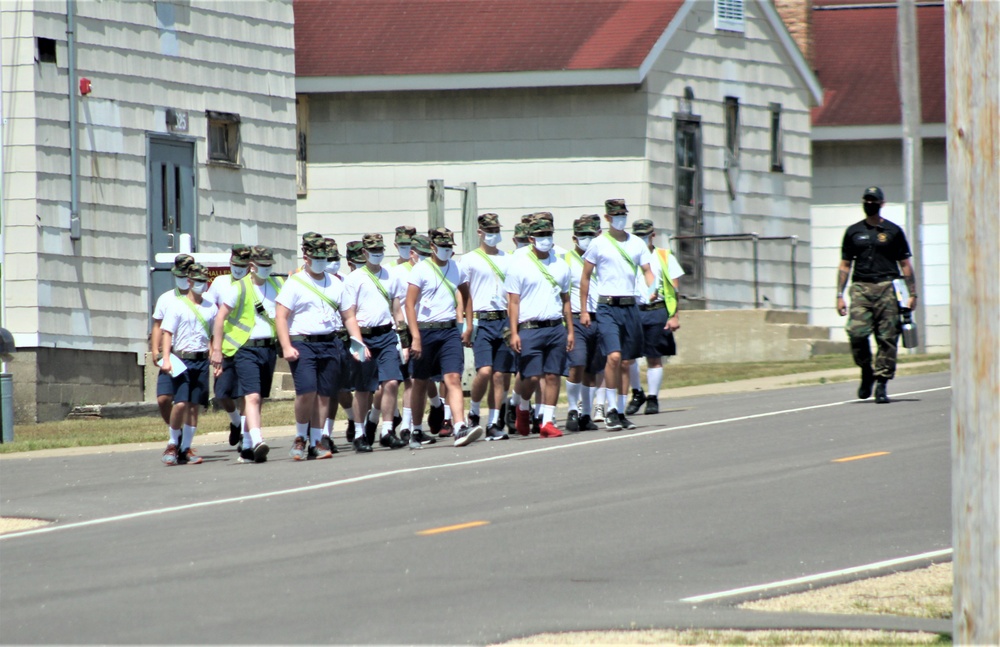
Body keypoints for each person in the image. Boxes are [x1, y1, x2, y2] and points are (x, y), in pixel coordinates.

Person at [276, 233, 365, 460]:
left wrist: (358, 342)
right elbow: (281, 316)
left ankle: (317, 441)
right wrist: (286, 346)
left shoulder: (336, 283)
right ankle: (300, 437)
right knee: (307, 391)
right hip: (303, 343)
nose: (321, 262)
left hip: (330, 343)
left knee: (325, 395)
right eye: (317, 257)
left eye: (324, 258)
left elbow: (348, 317)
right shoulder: (295, 282)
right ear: (306, 258)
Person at [579, 199, 656, 431]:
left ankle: (621, 411)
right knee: (612, 357)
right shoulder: (599, 243)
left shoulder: (636, 244)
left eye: (623, 214)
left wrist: (652, 291)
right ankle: (611, 409)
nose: (620, 218)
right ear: (607, 218)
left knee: (626, 361)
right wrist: (584, 309)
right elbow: (585, 276)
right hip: (607, 306)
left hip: (630, 306)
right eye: (616, 215)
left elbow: (648, 272)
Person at [836, 186, 917, 404]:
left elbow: (905, 265)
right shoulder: (853, 232)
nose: (869, 203)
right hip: (861, 287)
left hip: (887, 287)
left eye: (873, 200)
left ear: (881, 204)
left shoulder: (893, 231)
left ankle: (882, 383)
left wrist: (912, 294)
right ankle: (866, 369)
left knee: (887, 337)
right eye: (866, 200)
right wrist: (839, 295)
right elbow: (845, 265)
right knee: (856, 332)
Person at [405, 227, 484, 448]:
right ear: (432, 247)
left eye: (449, 247)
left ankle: (459, 426)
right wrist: (415, 337)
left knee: (453, 378)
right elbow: (410, 305)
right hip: (425, 330)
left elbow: (467, 297)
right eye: (442, 247)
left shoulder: (457, 269)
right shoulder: (420, 269)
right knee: (420, 382)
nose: (446, 251)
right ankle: (417, 430)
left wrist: (468, 325)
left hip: (449, 331)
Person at [210, 246, 284, 464]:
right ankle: (258, 440)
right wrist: (216, 349)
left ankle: (248, 446)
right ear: (252, 266)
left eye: (269, 265)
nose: (266, 269)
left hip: (268, 349)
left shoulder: (277, 285)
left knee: (257, 398)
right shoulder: (239, 288)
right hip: (244, 349)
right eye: (262, 266)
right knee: (250, 396)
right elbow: (220, 318)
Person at [505, 219, 574, 437]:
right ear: (532, 239)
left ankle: (547, 422)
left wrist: (570, 330)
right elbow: (513, 302)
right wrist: (514, 332)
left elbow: (566, 301)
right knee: (531, 377)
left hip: (555, 327)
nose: (546, 239)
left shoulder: (561, 265)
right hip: (529, 327)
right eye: (541, 235)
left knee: (553, 375)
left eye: (549, 235)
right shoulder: (519, 265)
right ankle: (522, 409)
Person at [342, 233, 408, 451]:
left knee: (391, 382)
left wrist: (405, 342)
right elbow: (349, 315)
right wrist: (357, 343)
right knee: (363, 389)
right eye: (373, 252)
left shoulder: (392, 276)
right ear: (364, 253)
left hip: (387, 335)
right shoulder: (354, 279)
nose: (377, 255)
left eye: (380, 251)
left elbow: (398, 311)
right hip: (363, 336)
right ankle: (360, 434)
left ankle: (387, 430)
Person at [459, 213, 515, 441]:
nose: (493, 235)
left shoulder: (508, 259)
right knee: (484, 371)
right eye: (488, 231)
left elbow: (513, 295)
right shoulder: (469, 259)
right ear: (479, 232)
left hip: (503, 320)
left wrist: (514, 326)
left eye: (496, 231)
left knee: (500, 375)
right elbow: (463, 294)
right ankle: (473, 411)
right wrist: (467, 323)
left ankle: (493, 422)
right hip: (482, 319)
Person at [158, 263, 218, 466]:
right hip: (181, 359)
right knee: (180, 403)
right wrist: (166, 358)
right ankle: (173, 442)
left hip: (201, 359)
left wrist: (216, 355)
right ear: (189, 281)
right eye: (197, 281)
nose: (201, 285)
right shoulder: (177, 304)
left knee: (194, 406)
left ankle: (186, 447)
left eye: (204, 281)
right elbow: (167, 333)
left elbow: (213, 335)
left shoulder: (211, 307)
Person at [625, 219, 683, 416]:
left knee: (654, 356)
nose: (642, 238)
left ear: (653, 235)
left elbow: (674, 289)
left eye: (645, 234)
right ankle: (637, 392)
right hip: (633, 309)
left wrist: (674, 315)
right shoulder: (628, 255)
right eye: (638, 234)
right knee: (629, 356)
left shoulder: (664, 256)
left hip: (657, 310)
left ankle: (653, 397)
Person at [204, 244, 254, 447]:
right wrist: (212, 347)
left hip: (247, 345)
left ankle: (244, 433)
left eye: (242, 265)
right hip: (225, 346)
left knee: (245, 393)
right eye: (234, 264)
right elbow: (208, 313)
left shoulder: (254, 284)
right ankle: (235, 422)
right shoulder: (220, 282)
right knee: (222, 392)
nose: (237, 269)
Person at [564, 217, 605, 431]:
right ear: (574, 238)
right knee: (577, 363)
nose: (587, 239)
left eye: (591, 235)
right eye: (583, 236)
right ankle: (573, 409)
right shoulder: (566, 260)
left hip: (601, 316)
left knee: (593, 368)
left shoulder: (601, 258)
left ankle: (586, 414)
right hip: (577, 318)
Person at [151, 254, 194, 425]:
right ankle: (175, 432)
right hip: (171, 354)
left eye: (185, 276)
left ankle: (183, 442)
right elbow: (157, 325)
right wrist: (155, 350)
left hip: (192, 353)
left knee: (188, 402)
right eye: (179, 275)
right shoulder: (166, 298)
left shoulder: (202, 299)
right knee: (163, 398)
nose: (181, 279)